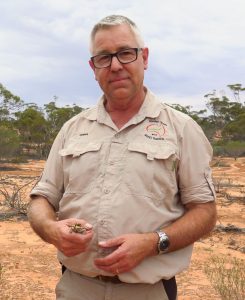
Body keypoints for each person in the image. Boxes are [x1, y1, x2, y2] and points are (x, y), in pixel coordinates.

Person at [28, 15, 217, 300]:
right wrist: (49, 228)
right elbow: (42, 198)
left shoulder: (181, 129)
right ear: (93, 68)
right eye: (104, 57)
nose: (115, 65)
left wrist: (153, 243)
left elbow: (205, 212)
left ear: (145, 58)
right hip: (76, 287)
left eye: (126, 53)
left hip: (147, 291)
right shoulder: (72, 129)